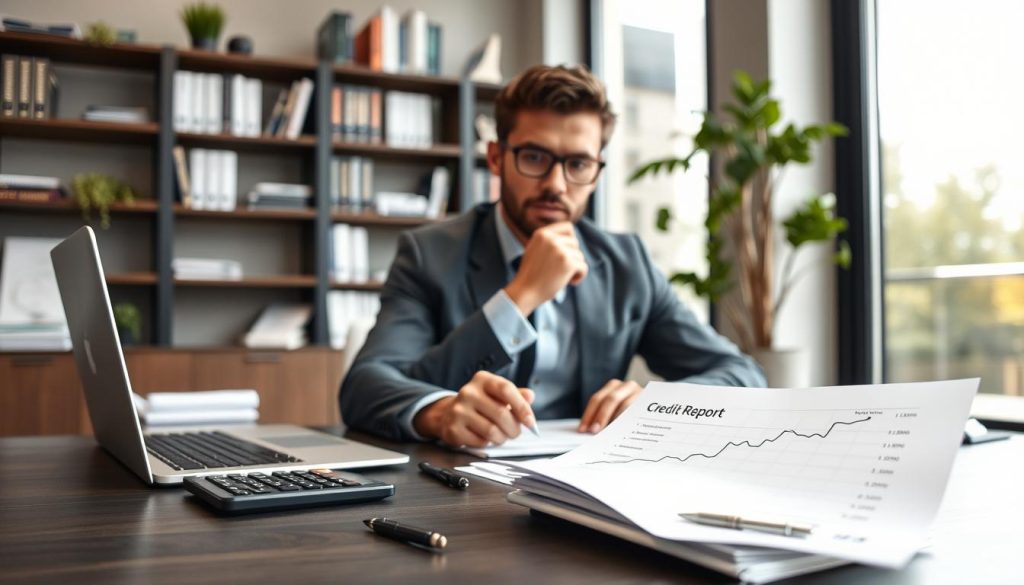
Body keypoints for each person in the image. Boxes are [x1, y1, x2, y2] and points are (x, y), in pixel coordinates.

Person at [340, 64, 764, 446]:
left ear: (597, 171)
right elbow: (365, 387)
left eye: (578, 164)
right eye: (535, 157)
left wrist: (658, 407)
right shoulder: (429, 253)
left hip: (586, 490)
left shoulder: (626, 264)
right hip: (457, 489)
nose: (557, 184)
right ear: (496, 158)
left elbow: (743, 376)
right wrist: (521, 295)